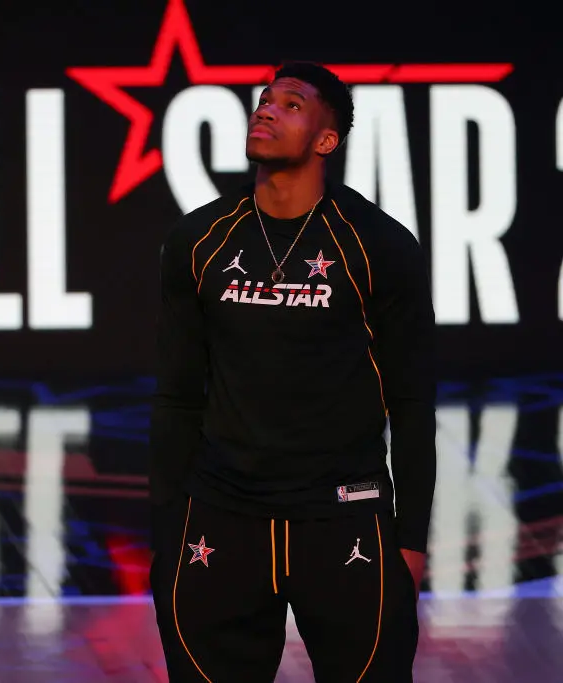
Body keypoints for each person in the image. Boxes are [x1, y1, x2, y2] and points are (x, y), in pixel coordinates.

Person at [148, 62, 435, 682]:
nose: (267, 110)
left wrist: (411, 537)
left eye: (292, 105)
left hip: (343, 519)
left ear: (327, 141)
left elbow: (412, 399)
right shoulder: (198, 241)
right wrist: (168, 528)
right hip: (221, 521)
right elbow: (176, 396)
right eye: (264, 99)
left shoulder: (379, 246)